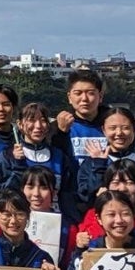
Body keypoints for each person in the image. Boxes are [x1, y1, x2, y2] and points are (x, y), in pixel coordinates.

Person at [56, 69, 112, 205]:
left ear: (101, 96)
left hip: (106, 200)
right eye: (78, 93)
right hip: (70, 201)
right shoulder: (58, 127)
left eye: (91, 93)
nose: (84, 99)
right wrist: (60, 133)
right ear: (69, 97)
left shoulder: (112, 126)